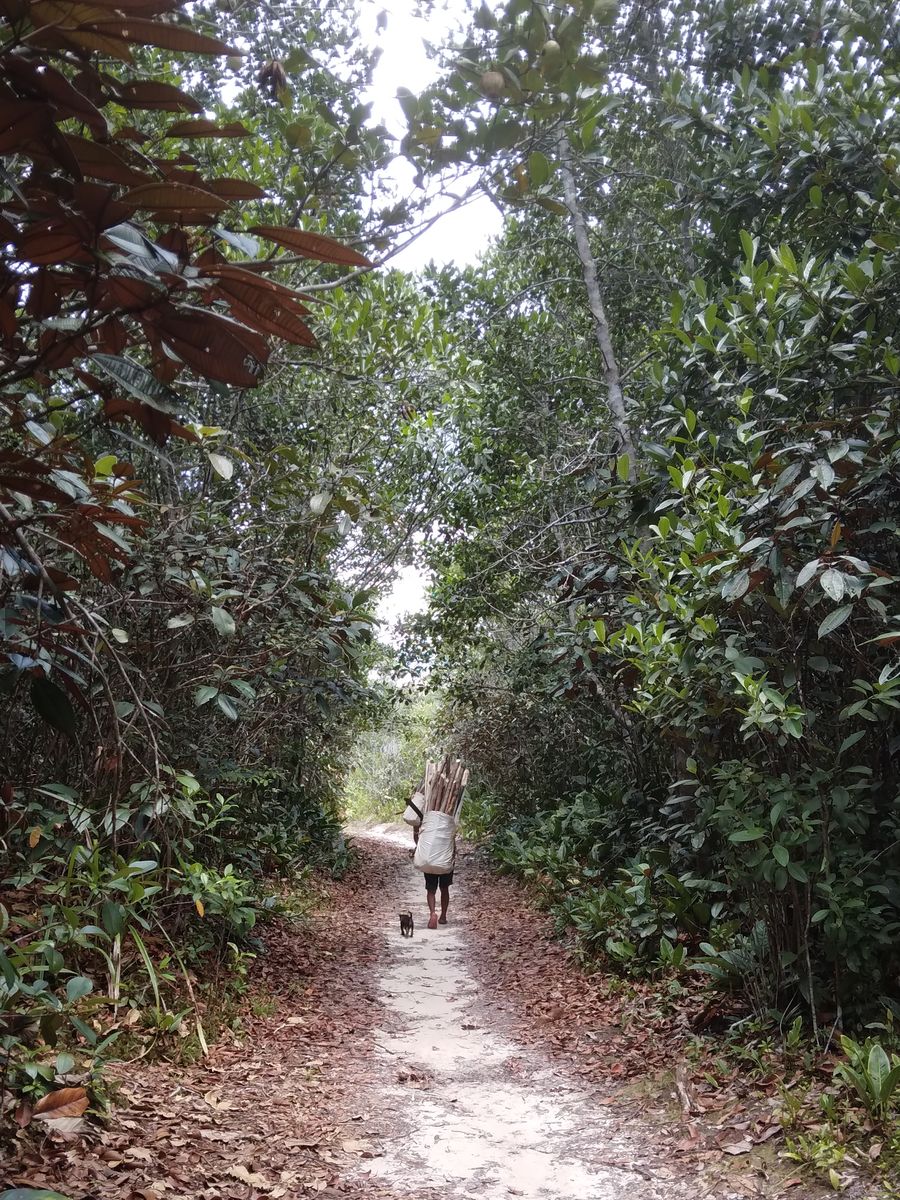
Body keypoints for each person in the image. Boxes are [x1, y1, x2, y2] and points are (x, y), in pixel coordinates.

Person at [412, 820, 455, 929]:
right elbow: (452, 842)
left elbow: (417, 839)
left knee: (431, 890)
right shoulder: (449, 821)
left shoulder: (428, 821)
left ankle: (432, 913)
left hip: (429, 859)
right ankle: (443, 916)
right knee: (444, 888)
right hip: (444, 860)